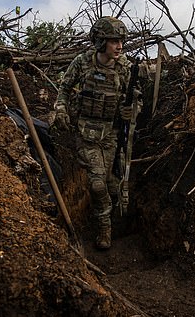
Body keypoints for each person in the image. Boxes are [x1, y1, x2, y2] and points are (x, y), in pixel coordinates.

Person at [53, 16, 136, 250]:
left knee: (110, 183)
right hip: (86, 133)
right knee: (97, 184)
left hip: (111, 134)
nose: (119, 46)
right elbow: (65, 88)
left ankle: (114, 220)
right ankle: (104, 228)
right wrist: (60, 108)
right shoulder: (82, 63)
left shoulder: (126, 68)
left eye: (121, 41)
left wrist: (131, 110)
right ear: (100, 42)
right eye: (113, 41)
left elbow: (137, 97)